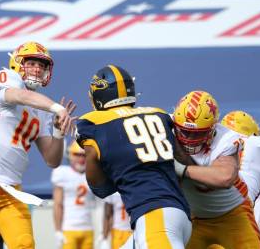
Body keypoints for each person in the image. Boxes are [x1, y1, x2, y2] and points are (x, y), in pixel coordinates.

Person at [0, 41, 76, 249]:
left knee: (24, 244)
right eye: (31, 63)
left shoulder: (44, 111)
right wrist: (57, 108)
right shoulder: (5, 80)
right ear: (17, 64)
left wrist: (58, 132)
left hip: (9, 188)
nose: (38, 69)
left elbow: (52, 159)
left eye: (42, 65)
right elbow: (21, 96)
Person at [76, 65, 192, 249]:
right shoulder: (159, 114)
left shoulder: (93, 123)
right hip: (177, 214)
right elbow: (186, 161)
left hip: (154, 217)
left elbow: (100, 188)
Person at [172, 92, 260, 249]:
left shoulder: (225, 139)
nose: (189, 138)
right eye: (184, 131)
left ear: (213, 129)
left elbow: (225, 178)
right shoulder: (165, 126)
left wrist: (182, 169)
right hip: (194, 218)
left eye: (197, 133)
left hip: (233, 215)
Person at [51, 141, 95, 249]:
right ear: (70, 155)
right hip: (68, 228)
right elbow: (58, 204)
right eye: (77, 154)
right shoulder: (62, 173)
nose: (81, 159)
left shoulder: (92, 175)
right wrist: (58, 230)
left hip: (88, 228)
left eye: (84, 155)